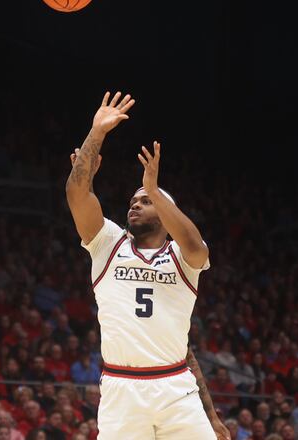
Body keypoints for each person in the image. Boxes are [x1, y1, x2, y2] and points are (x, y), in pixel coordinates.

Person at [65, 91, 230, 440]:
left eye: (146, 201)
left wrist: (212, 416)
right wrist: (96, 134)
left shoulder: (183, 258)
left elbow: (195, 245)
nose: (135, 205)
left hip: (176, 386)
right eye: (133, 201)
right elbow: (77, 196)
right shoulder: (108, 242)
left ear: (164, 210)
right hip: (122, 389)